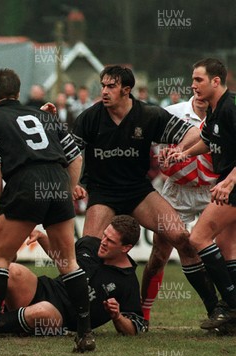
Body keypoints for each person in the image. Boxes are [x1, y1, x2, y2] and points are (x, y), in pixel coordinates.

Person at [72, 65, 225, 329]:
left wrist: (181, 149)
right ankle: (77, 315)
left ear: (126, 90)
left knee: (183, 240)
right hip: (103, 194)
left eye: (111, 86)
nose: (104, 91)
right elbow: (70, 153)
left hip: (138, 192)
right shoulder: (89, 118)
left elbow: (191, 134)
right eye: (103, 85)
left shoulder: (149, 115)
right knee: (88, 251)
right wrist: (74, 183)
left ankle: (216, 311)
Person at [0, 68, 92, 353]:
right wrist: (69, 188)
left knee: (0, 258)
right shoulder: (45, 115)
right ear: (17, 90)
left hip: (25, 183)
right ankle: (85, 335)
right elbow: (75, 157)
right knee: (68, 262)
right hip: (57, 181)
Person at [0, 215, 146, 337]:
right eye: (105, 236)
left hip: (59, 320)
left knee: (43, 311)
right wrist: (44, 239)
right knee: (12, 270)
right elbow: (63, 260)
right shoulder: (91, 244)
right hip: (45, 289)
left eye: (111, 241)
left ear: (126, 248)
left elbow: (136, 328)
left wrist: (117, 317)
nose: (103, 241)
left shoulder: (127, 282)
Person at [140, 94, 218, 325]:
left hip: (213, 189)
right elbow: (154, 145)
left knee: (223, 251)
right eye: (195, 84)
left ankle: (222, 311)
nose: (200, 94)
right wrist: (161, 158)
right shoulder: (173, 112)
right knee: (159, 255)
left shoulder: (224, 114)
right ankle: (142, 313)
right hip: (177, 190)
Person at [170, 58, 236, 328]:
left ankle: (231, 306)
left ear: (216, 81)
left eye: (199, 80)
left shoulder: (231, 108)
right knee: (227, 247)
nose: (193, 85)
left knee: (198, 238)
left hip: (232, 183)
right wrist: (183, 153)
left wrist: (229, 182)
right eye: (193, 79)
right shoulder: (215, 110)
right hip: (227, 181)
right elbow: (208, 141)